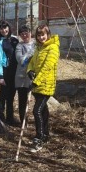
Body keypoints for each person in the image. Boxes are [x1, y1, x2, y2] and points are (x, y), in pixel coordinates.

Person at [27, 24, 60, 153]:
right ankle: (45, 134)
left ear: (48, 34)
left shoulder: (53, 48)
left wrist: (36, 82)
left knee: (37, 111)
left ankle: (39, 138)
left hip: (46, 85)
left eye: (43, 34)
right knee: (43, 111)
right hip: (37, 85)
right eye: (39, 35)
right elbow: (32, 62)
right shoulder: (39, 48)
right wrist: (29, 71)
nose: (41, 37)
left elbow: (47, 67)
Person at [0, 20, 19, 125]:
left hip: (15, 71)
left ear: (8, 28)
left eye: (5, 28)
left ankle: (10, 118)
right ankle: (1, 117)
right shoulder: (0, 43)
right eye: (1, 29)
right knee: (3, 95)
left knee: (11, 96)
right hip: (5, 71)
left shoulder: (15, 39)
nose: (4, 30)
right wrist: (0, 76)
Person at [15, 26, 35, 124]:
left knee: (39, 100)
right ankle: (23, 121)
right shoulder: (19, 46)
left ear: (30, 32)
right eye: (22, 34)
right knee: (22, 100)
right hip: (22, 77)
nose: (24, 35)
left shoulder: (37, 43)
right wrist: (31, 55)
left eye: (26, 33)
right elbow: (20, 60)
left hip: (35, 76)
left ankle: (40, 122)